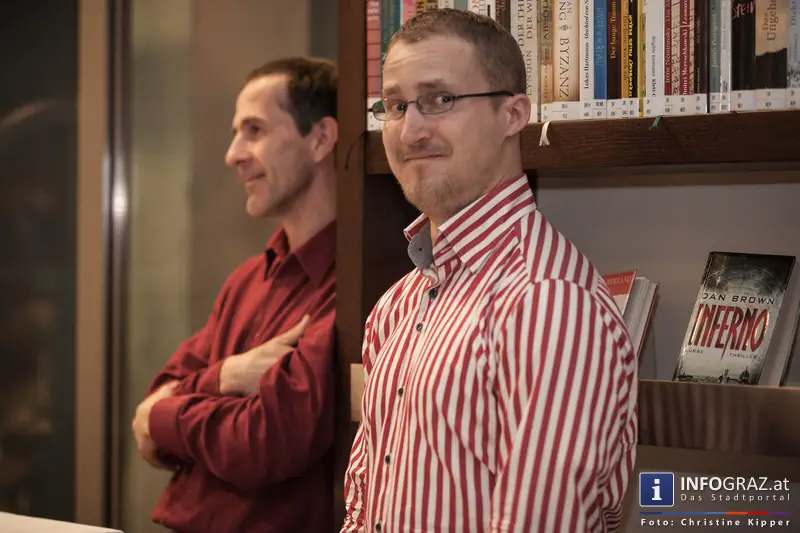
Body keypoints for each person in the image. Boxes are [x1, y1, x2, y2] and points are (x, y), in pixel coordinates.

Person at [341, 9, 638, 533]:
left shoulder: (548, 300)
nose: (410, 131)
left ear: (513, 115)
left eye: (441, 100)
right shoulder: (399, 304)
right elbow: (364, 510)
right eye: (394, 105)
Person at [131, 57, 339, 533]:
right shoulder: (247, 280)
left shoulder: (350, 286)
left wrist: (165, 414)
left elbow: (263, 443)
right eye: (235, 132)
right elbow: (157, 389)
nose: (233, 154)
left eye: (255, 130)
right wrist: (227, 376)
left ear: (321, 139)